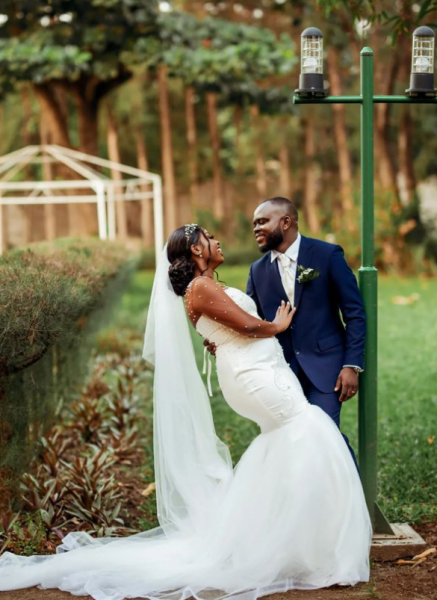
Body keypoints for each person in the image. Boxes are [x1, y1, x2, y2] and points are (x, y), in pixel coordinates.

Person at [0, 224, 371, 600]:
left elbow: (226, 328)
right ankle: (317, 543)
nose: (218, 241)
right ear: (196, 250)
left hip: (260, 370)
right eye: (210, 238)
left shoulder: (204, 286)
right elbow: (246, 325)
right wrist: (276, 325)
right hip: (255, 375)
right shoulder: (200, 287)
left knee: (286, 438)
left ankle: (283, 538)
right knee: (306, 427)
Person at [207, 197, 365, 464]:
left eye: (262, 222)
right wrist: (224, 340)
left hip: (327, 368)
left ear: (286, 222)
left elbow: (355, 313)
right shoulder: (257, 271)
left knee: (326, 437)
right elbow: (251, 322)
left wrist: (351, 365)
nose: (256, 229)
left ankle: (352, 491)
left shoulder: (327, 255)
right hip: (280, 374)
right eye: (254, 224)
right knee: (294, 444)